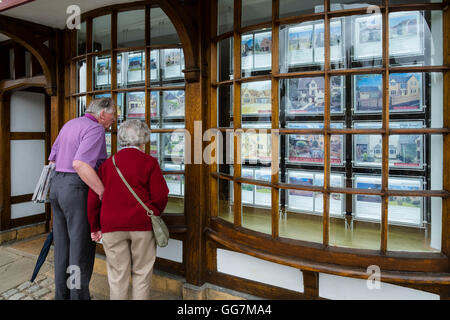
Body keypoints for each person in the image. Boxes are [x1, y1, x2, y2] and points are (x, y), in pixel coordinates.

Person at [87, 119, 169, 300]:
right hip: (142, 225)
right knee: (142, 272)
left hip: (111, 225)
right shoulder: (149, 162)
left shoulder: (107, 164)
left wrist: (95, 226)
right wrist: (153, 212)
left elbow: (93, 197)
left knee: (117, 275)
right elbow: (161, 195)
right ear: (143, 140)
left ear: (122, 139)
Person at [48, 98, 116, 300]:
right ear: (102, 114)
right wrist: (103, 192)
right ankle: (78, 297)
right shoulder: (95, 129)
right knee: (80, 251)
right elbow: (80, 164)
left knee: (62, 247)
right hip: (76, 189)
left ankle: (63, 296)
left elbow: (52, 159)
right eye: (113, 114)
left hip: (57, 186)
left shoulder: (70, 123)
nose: (115, 119)